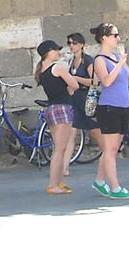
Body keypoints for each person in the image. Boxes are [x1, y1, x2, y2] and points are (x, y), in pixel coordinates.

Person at [89, 24, 129, 200]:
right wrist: (120, 64)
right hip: (109, 108)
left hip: (123, 107)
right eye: (114, 35)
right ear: (104, 38)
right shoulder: (100, 60)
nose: (118, 38)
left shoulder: (117, 57)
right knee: (110, 150)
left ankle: (100, 181)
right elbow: (107, 82)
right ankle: (115, 187)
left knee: (113, 149)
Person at [35, 40, 81, 195]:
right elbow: (75, 85)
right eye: (55, 50)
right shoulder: (57, 68)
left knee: (59, 148)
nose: (58, 52)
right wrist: (69, 88)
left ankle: (59, 182)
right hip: (62, 108)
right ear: (48, 52)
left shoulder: (42, 71)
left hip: (51, 108)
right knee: (60, 149)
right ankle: (53, 185)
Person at [65, 32, 99, 172]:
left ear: (82, 45)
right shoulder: (71, 61)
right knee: (71, 134)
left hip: (86, 99)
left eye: (74, 43)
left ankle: (109, 153)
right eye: (70, 43)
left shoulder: (88, 61)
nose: (71, 46)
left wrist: (76, 79)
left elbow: (95, 81)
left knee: (94, 131)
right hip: (75, 99)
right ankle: (64, 167)